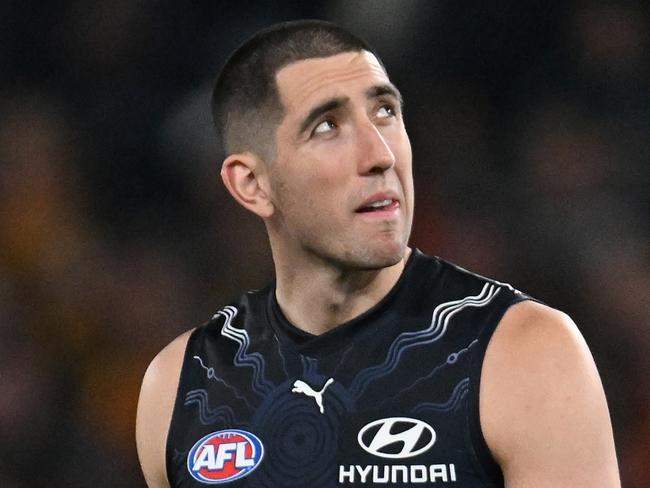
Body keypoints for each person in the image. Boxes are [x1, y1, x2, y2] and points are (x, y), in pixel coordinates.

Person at [136, 20, 620, 487]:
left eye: (385, 111)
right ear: (253, 184)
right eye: (327, 126)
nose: (380, 154)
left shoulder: (523, 354)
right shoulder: (181, 386)